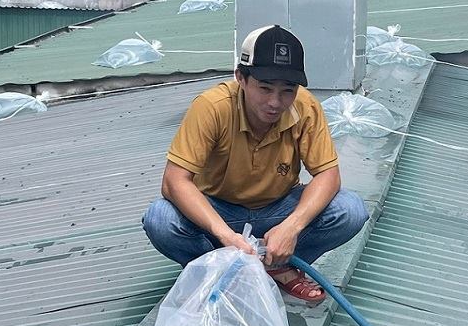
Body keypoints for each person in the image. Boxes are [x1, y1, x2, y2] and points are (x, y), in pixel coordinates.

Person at [142, 25, 369, 305]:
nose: (275, 102)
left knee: (350, 210)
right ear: (241, 78)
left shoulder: (306, 108)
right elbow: (174, 181)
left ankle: (277, 268)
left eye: (288, 90)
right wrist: (224, 234)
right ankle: (218, 270)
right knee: (160, 219)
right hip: (219, 209)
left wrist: (291, 227)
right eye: (265, 88)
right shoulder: (213, 107)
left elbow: (328, 175)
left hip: (277, 208)